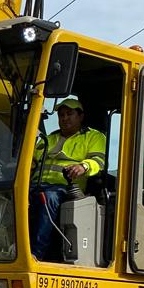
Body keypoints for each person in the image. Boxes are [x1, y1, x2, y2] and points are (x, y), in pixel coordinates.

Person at [29, 95, 107, 262]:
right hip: (35, 185)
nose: (64, 118)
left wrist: (83, 166)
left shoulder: (93, 137)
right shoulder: (49, 138)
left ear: (80, 116)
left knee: (47, 199)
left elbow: (98, 161)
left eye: (69, 114)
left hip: (63, 188)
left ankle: (35, 254)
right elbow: (32, 161)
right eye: (61, 115)